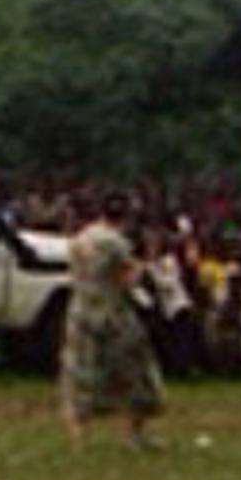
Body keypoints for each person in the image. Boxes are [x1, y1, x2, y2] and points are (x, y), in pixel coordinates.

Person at [59, 188, 167, 449]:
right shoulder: (116, 243)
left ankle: (78, 436)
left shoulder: (82, 238)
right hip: (111, 312)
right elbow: (128, 279)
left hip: (81, 310)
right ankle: (134, 434)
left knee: (80, 373)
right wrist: (147, 263)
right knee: (134, 372)